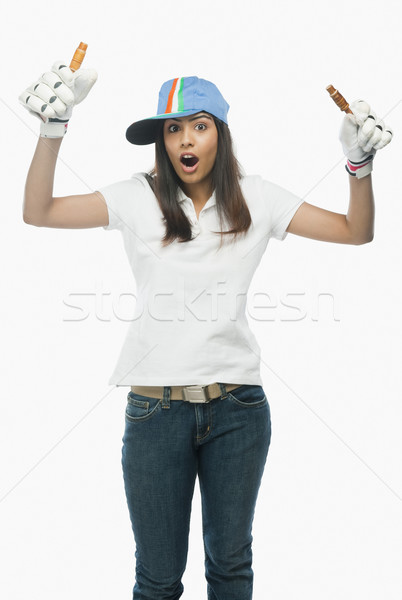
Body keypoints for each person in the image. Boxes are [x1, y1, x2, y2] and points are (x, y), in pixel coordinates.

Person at [19, 61, 393, 600]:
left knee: (231, 568)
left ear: (220, 131)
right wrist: (51, 132)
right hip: (154, 414)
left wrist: (360, 165)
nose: (185, 140)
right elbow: (39, 211)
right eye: (172, 129)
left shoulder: (257, 197)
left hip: (238, 411)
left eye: (198, 125)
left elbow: (357, 232)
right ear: (162, 142)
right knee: (157, 578)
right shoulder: (135, 196)